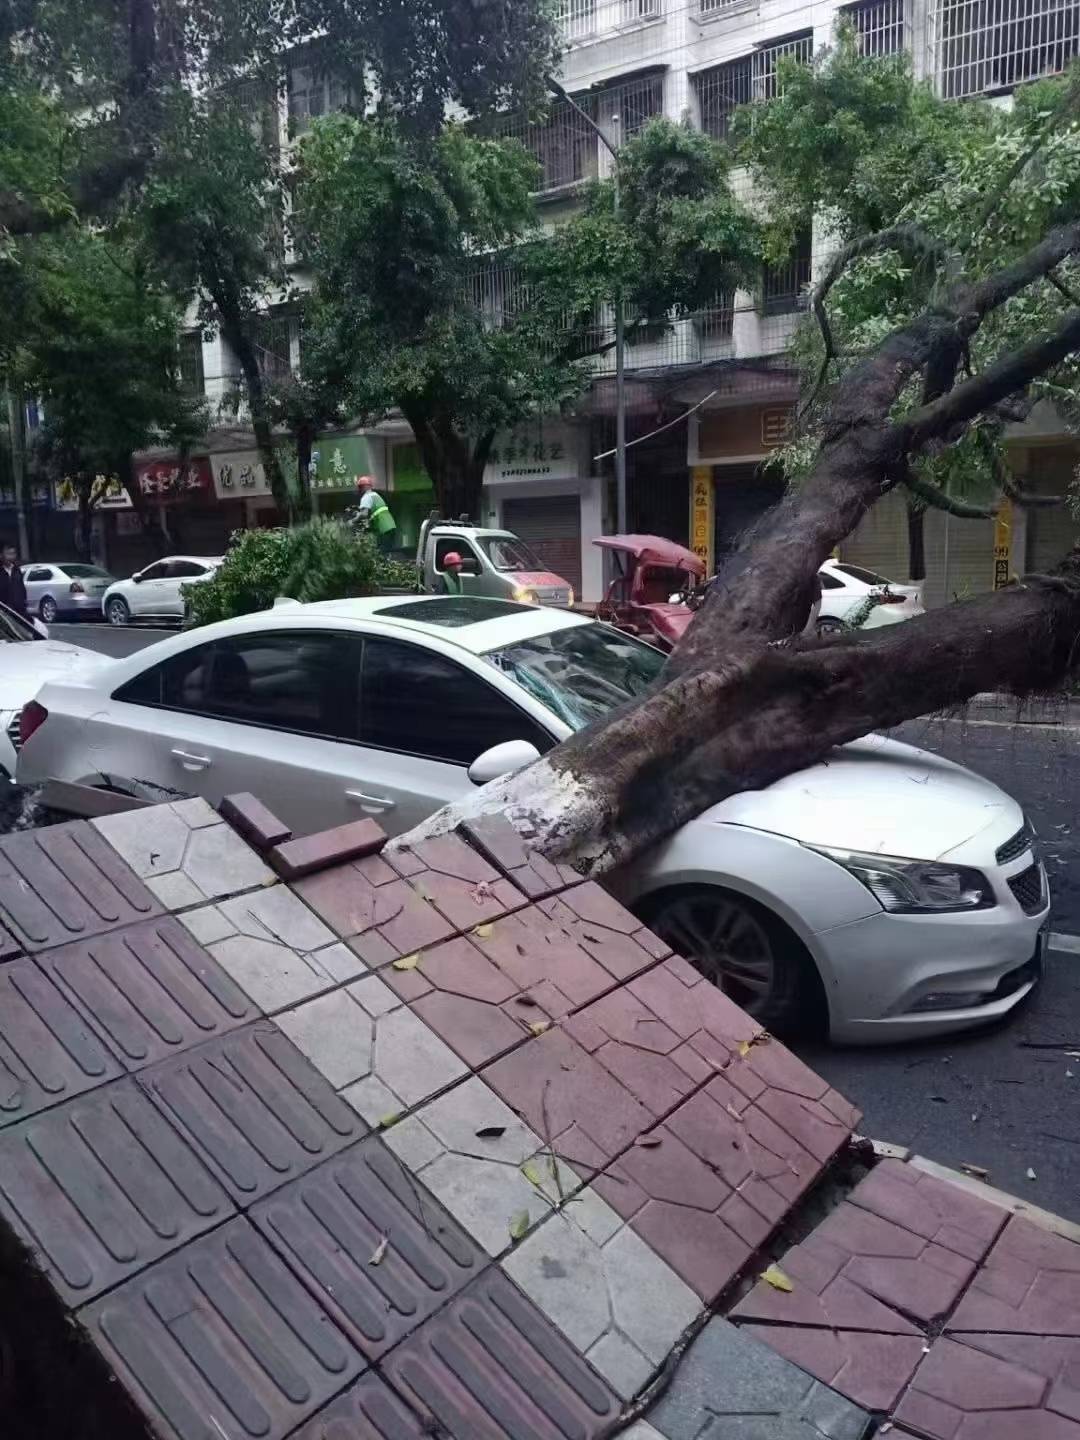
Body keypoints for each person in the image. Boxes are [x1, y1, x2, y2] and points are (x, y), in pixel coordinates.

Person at [351, 474, 398, 553]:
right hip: (391, 526)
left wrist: (353, 520)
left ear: (364, 487)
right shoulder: (376, 495)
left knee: (381, 552)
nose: (360, 489)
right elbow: (375, 513)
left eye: (360, 487)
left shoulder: (366, 497)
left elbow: (364, 514)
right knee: (388, 551)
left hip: (383, 528)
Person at [0, 543, 28, 618]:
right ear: (1, 555)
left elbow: (22, 589)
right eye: (8, 554)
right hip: (4, 613)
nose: (11, 557)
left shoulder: (17, 570)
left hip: (19, 612)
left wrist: (24, 604)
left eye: (13, 554)